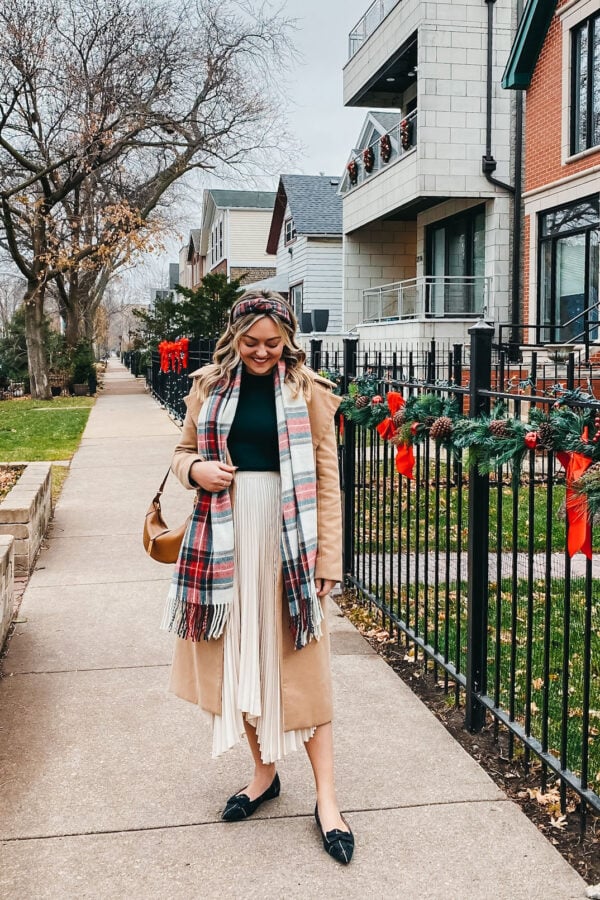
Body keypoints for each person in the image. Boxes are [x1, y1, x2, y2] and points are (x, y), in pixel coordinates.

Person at [162, 290, 354, 864]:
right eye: (251, 343)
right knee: (238, 662)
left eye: (273, 344)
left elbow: (326, 479)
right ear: (235, 336)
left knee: (302, 667)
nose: (262, 353)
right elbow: (179, 453)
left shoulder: (309, 392)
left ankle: (327, 802)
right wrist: (196, 468)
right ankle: (263, 774)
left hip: (288, 542)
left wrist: (328, 559)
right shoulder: (207, 386)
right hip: (224, 540)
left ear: (288, 341)